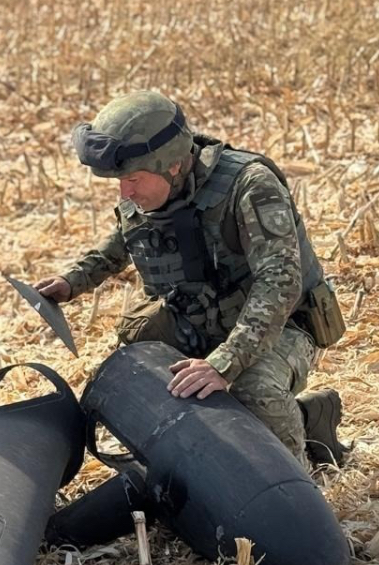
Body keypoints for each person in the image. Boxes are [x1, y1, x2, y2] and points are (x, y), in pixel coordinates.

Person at [35, 91, 349, 464]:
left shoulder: (250, 185)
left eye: (132, 179)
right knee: (136, 371)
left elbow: (279, 283)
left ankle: (296, 470)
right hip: (201, 319)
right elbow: (121, 242)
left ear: (171, 166)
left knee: (252, 390)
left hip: (281, 326)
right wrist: (72, 280)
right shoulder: (147, 191)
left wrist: (225, 363)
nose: (124, 191)